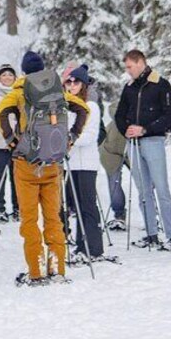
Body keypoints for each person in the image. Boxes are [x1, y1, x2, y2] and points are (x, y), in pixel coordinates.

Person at [0, 51, 89, 286]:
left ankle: (36, 271)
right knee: (53, 219)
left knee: (29, 220)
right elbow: (82, 109)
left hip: (26, 162)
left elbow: (1, 112)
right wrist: (71, 139)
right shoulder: (56, 89)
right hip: (53, 162)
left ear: (24, 71)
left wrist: (11, 140)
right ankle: (57, 268)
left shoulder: (18, 91)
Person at [113, 49, 171, 251]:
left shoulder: (160, 84)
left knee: (161, 188)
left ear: (140, 62)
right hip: (133, 144)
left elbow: (170, 116)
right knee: (143, 191)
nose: (128, 71)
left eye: (130, 67)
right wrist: (126, 129)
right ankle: (151, 233)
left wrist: (145, 129)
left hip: (153, 141)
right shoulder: (130, 87)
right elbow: (119, 114)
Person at [64, 65, 114, 264]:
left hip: (86, 162)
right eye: (69, 81)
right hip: (72, 162)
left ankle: (93, 247)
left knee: (87, 204)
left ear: (83, 84)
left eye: (76, 82)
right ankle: (81, 244)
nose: (73, 85)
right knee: (77, 205)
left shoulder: (91, 106)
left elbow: (90, 135)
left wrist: (69, 141)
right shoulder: (68, 106)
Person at [0, 63, 19, 224]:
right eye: (4, 75)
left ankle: (17, 207)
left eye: (10, 75)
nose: (7, 78)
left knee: (17, 176)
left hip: (17, 142)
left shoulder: (20, 93)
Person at [99, 118, 128, 231]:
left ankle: (151, 215)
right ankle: (119, 214)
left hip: (133, 146)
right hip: (110, 151)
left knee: (144, 181)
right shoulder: (118, 114)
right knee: (114, 183)